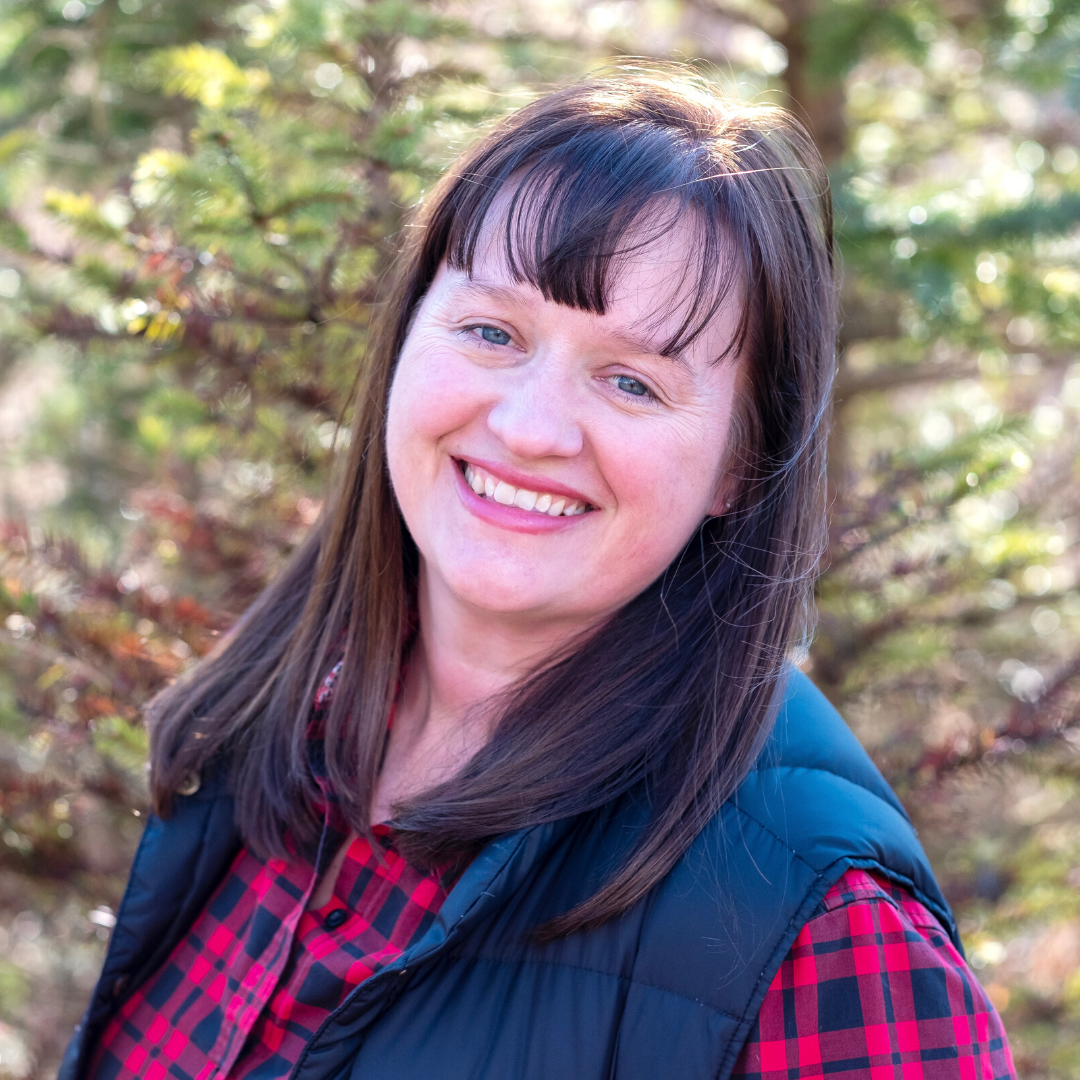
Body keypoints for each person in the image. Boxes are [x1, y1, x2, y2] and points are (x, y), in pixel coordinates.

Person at [61, 68, 1015, 1080]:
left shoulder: (821, 924)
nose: (527, 428)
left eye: (632, 381)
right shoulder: (268, 731)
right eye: (491, 332)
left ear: (740, 463)